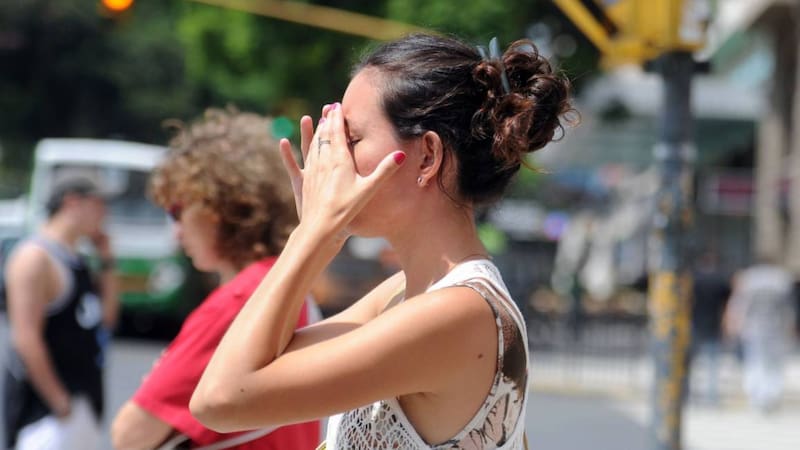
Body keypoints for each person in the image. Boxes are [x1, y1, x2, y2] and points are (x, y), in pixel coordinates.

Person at [190, 34, 574, 449]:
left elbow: (221, 400)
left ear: (427, 156)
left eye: (350, 139)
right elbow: (265, 360)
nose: (330, 158)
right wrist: (324, 231)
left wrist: (313, 233)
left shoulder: (459, 312)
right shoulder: (402, 294)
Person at [110, 108, 321, 449]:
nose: (176, 231)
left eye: (178, 210)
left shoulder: (240, 301)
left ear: (221, 205)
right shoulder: (288, 286)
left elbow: (130, 435)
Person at [3, 175, 119, 450]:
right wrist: (59, 401)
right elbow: (25, 337)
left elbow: (108, 317)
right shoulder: (35, 257)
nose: (105, 214)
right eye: (99, 204)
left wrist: (107, 258)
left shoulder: (76, 258)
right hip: (45, 413)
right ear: (72, 203)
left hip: (83, 399)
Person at [724, 258, 797, 413]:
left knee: (755, 361)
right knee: (773, 364)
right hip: (775, 328)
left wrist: (734, 324)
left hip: (754, 328)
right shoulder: (781, 280)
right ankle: (770, 395)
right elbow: (789, 308)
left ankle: (758, 396)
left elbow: (739, 305)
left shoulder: (749, 279)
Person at [688, 249, 730, 405]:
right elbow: (727, 303)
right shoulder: (720, 280)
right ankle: (711, 397)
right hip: (713, 323)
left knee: (690, 363)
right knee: (713, 364)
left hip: (695, 323)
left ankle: (688, 395)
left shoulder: (694, 279)